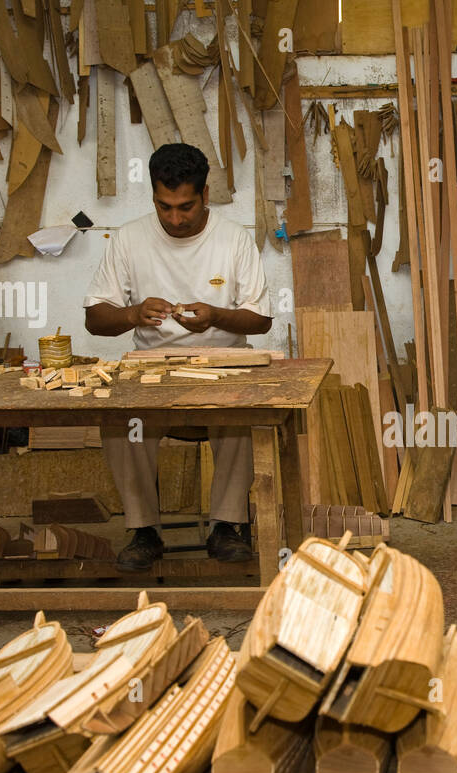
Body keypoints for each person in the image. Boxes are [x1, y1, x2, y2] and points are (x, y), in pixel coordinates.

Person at [84, 143, 273, 570]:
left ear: (205, 195)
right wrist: (132, 313)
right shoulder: (129, 239)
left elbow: (261, 320)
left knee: (240, 416)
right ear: (152, 196)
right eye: (163, 206)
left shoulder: (234, 239)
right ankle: (144, 529)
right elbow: (95, 319)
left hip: (224, 368)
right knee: (121, 422)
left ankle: (228, 524)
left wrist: (216, 317)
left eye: (185, 206)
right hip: (152, 369)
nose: (174, 218)